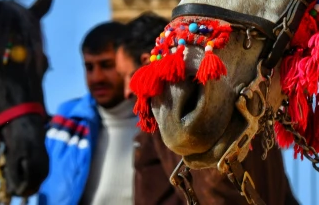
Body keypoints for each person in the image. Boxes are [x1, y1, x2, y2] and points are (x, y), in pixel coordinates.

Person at [117, 12, 300, 205]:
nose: (127, 91)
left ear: (147, 62)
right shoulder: (251, 105)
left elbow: (214, 191)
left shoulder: (178, 116)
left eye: (127, 75)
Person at [38, 20, 138, 205]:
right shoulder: (65, 124)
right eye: (89, 67)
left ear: (127, 62)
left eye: (107, 65)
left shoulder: (157, 124)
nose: (97, 77)